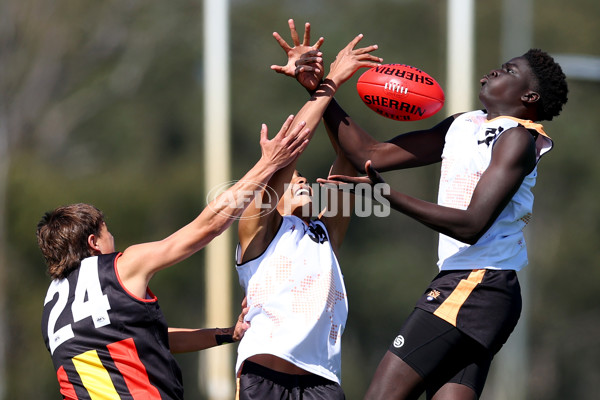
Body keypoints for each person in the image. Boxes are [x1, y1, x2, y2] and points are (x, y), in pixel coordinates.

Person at [273, 20, 569, 400]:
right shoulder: (465, 124)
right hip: (476, 288)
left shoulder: (518, 139)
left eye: (510, 71)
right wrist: (320, 89)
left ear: (529, 97)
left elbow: (472, 225)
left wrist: (387, 195)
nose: (496, 70)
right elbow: (368, 154)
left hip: (477, 284)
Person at [39, 117, 313, 399]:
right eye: (108, 233)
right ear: (93, 243)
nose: (114, 240)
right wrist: (268, 165)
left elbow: (150, 338)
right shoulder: (123, 266)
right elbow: (208, 226)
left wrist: (226, 333)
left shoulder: (51, 310)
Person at [234, 24, 381, 400]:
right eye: (293, 179)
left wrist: (316, 87)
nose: (301, 181)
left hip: (322, 380)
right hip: (266, 372)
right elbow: (291, 147)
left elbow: (350, 157)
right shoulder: (258, 232)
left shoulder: (323, 235)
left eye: (304, 179)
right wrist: (330, 80)